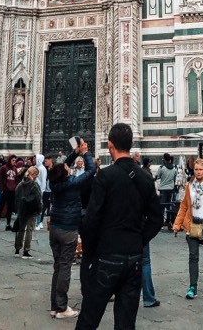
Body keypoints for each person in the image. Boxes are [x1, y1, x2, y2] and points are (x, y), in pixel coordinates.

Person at [76, 122, 162, 330]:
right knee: (126, 323)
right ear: (131, 144)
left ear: (109, 145)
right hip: (134, 259)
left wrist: (89, 250)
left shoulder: (105, 176)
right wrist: (138, 239)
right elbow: (157, 219)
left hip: (107, 256)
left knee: (89, 318)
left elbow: (91, 220)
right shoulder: (145, 176)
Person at [48, 139, 95, 320]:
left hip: (55, 229)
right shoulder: (72, 183)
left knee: (58, 266)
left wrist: (75, 153)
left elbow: (61, 168)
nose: (68, 167)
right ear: (66, 175)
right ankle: (61, 308)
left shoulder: (55, 183)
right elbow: (90, 171)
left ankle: (55, 306)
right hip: (68, 230)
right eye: (67, 169)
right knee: (65, 267)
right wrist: (85, 152)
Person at [173, 157, 203, 300]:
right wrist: (177, 224)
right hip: (193, 224)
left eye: (201, 169)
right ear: (193, 171)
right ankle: (192, 286)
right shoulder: (189, 186)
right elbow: (184, 206)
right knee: (193, 257)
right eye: (196, 169)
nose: (198, 172)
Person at [139, 158, 160, 309]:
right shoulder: (145, 179)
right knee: (145, 262)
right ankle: (148, 298)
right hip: (140, 229)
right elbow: (155, 214)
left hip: (121, 231)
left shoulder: (112, 177)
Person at [14, 165, 42, 258]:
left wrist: (18, 207)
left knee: (21, 229)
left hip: (22, 209)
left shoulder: (21, 184)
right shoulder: (34, 184)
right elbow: (38, 198)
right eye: (36, 175)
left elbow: (17, 196)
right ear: (33, 174)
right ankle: (26, 250)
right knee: (29, 230)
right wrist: (39, 209)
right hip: (32, 210)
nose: (36, 177)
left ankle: (17, 249)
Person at [0, 154, 20, 231]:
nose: (14, 162)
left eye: (15, 161)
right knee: (1, 207)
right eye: (13, 160)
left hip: (12, 191)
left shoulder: (15, 169)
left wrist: (15, 187)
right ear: (9, 160)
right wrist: (1, 189)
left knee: (10, 208)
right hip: (5, 190)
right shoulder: (3, 168)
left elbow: (16, 179)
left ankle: (8, 224)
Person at [154, 153, 177, 228]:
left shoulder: (162, 168)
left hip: (163, 189)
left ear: (164, 159)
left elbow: (158, 177)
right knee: (169, 206)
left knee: (162, 206)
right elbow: (175, 178)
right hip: (171, 189)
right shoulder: (174, 168)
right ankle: (169, 221)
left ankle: (161, 223)